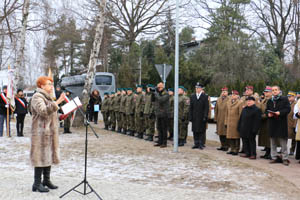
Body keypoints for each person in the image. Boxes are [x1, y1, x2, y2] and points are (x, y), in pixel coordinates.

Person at [30, 76, 66, 193]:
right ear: (41, 85)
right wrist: (59, 101)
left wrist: (60, 117)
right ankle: (36, 183)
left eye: (51, 84)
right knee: (40, 156)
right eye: (48, 84)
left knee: (48, 155)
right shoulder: (37, 97)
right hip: (40, 133)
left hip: (50, 132)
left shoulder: (48, 97)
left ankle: (46, 180)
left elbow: (51, 114)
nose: (51, 86)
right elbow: (44, 111)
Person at [266, 86, 291, 166]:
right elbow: (266, 110)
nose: (274, 91)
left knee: (283, 142)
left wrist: (280, 113)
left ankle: (285, 158)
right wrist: (268, 114)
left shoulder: (284, 99)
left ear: (279, 91)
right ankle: (274, 157)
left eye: (276, 90)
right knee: (273, 142)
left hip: (281, 123)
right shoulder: (270, 100)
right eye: (273, 90)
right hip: (272, 123)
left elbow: (288, 109)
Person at [189, 82, 209, 149]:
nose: (197, 89)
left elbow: (206, 107)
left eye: (198, 88)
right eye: (196, 88)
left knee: (201, 131)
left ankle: (201, 143)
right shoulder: (192, 96)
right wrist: (190, 116)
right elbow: (191, 107)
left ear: (201, 89)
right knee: (195, 130)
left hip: (201, 117)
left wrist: (205, 116)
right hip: (195, 116)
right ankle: (196, 143)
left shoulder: (205, 96)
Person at [225, 90, 242, 155]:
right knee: (230, 136)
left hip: (236, 122)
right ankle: (232, 148)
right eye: (232, 94)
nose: (232, 95)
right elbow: (226, 113)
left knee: (236, 137)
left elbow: (240, 114)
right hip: (229, 122)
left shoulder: (240, 103)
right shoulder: (228, 102)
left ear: (237, 96)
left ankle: (236, 149)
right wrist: (226, 121)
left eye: (234, 94)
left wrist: (240, 123)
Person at [153, 82, 169, 148]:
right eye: (157, 87)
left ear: (162, 87)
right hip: (158, 113)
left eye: (159, 87)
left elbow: (161, 100)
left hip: (164, 113)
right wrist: (153, 93)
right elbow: (153, 100)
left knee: (164, 129)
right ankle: (159, 141)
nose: (158, 88)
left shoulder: (166, 93)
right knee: (159, 128)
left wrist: (156, 94)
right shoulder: (158, 93)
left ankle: (164, 143)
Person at [258, 86, 272, 159]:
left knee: (269, 138)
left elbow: (270, 111)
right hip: (264, 121)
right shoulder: (264, 100)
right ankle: (267, 152)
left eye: (267, 92)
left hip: (269, 121)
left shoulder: (272, 100)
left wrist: (261, 116)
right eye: (265, 92)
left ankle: (271, 153)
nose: (265, 93)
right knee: (265, 137)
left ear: (271, 93)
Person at [214, 87, 229, 151]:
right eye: (222, 92)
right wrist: (216, 118)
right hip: (219, 118)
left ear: (227, 92)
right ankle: (222, 145)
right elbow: (216, 109)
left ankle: (226, 146)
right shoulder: (218, 99)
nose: (223, 93)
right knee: (220, 133)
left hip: (226, 118)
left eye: (225, 92)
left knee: (225, 134)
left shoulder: (229, 99)